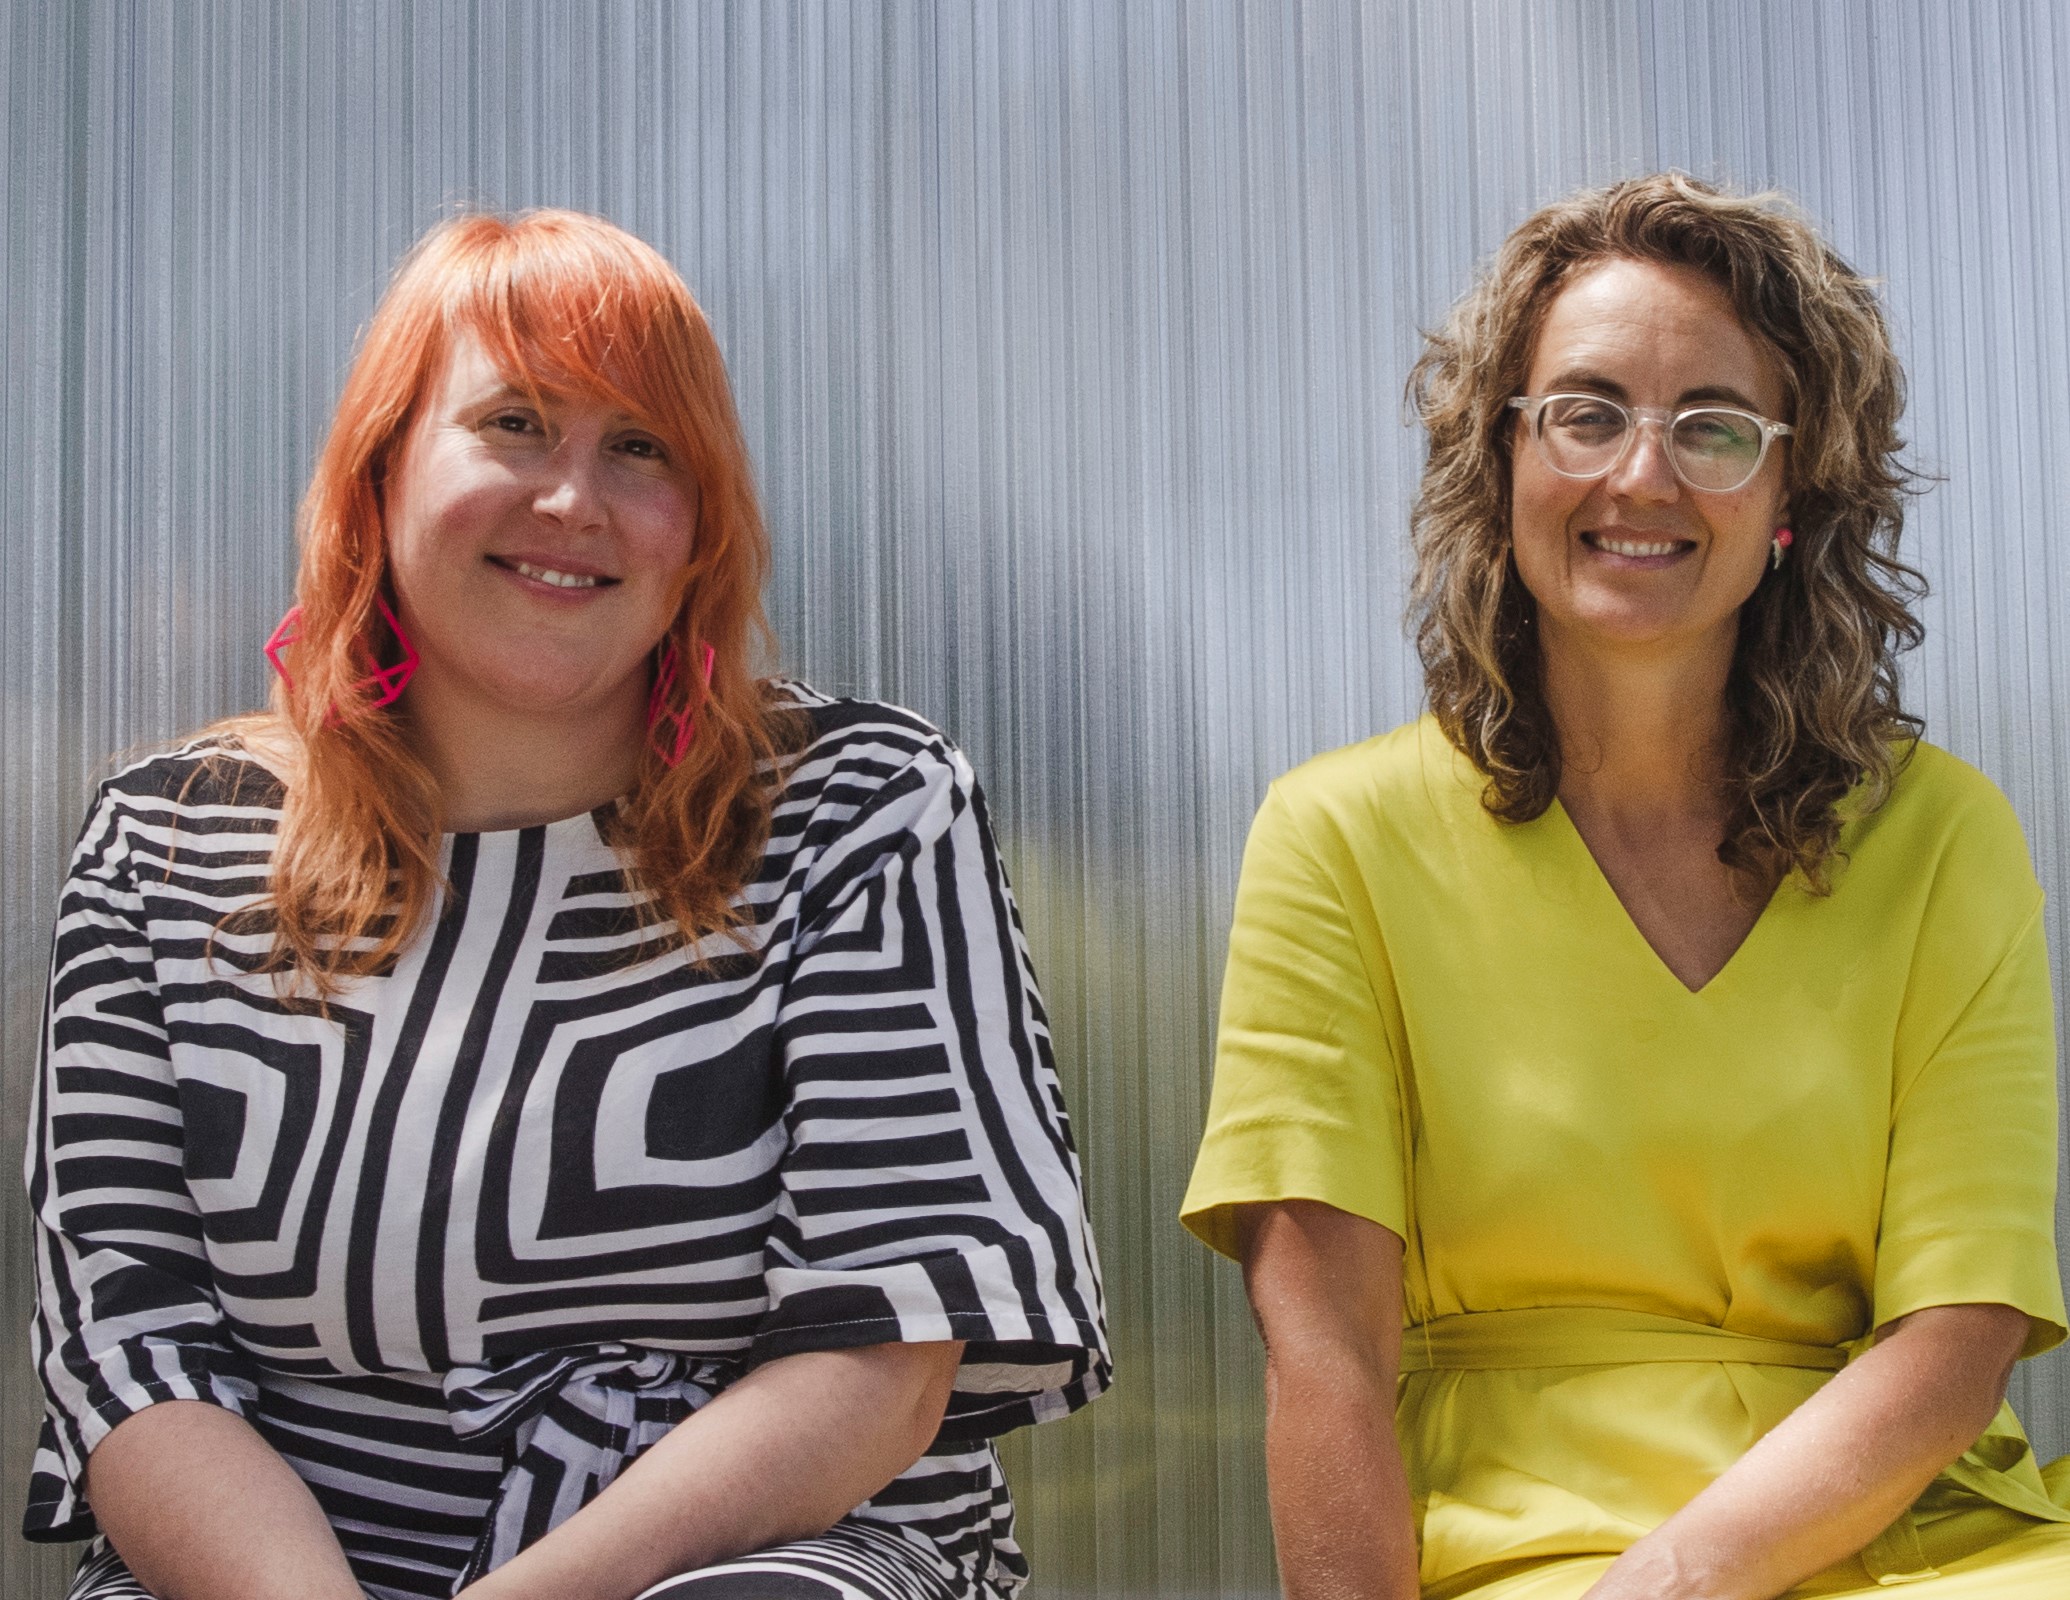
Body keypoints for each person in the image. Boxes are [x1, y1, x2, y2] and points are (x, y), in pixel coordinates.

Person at [26, 209, 1109, 1600]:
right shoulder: (164, 843)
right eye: (517, 424)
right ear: (379, 472)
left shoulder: (862, 806)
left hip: (764, 1553)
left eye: (642, 447)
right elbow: (131, 1352)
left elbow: (887, 1343)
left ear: (701, 525)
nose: (573, 502)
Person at [1182, 174, 2070, 1599]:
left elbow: (1958, 1337)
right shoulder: (1335, 838)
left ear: (1791, 494)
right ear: (1502, 458)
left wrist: (1673, 1582)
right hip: (1520, 1543)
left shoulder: (1945, 837)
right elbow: (1324, 1351)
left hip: (1913, 1535)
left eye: (1713, 427)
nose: (1642, 477)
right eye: (1585, 413)